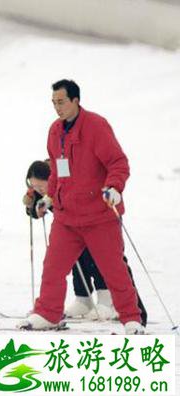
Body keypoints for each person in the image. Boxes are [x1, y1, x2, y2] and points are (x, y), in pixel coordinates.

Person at [20, 79, 144, 334]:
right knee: (53, 267)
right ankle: (48, 313)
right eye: (54, 102)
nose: (57, 107)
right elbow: (56, 170)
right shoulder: (55, 131)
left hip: (99, 215)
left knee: (113, 270)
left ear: (76, 100)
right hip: (67, 217)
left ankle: (131, 318)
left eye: (61, 102)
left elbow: (118, 163)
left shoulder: (96, 126)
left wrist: (114, 188)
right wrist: (49, 197)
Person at [23, 160, 147, 325]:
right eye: (34, 187)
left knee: (105, 260)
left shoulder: (63, 175)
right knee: (75, 259)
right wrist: (31, 205)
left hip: (98, 216)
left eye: (40, 187)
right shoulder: (45, 182)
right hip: (71, 223)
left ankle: (113, 302)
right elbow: (38, 208)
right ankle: (83, 298)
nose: (38, 190)